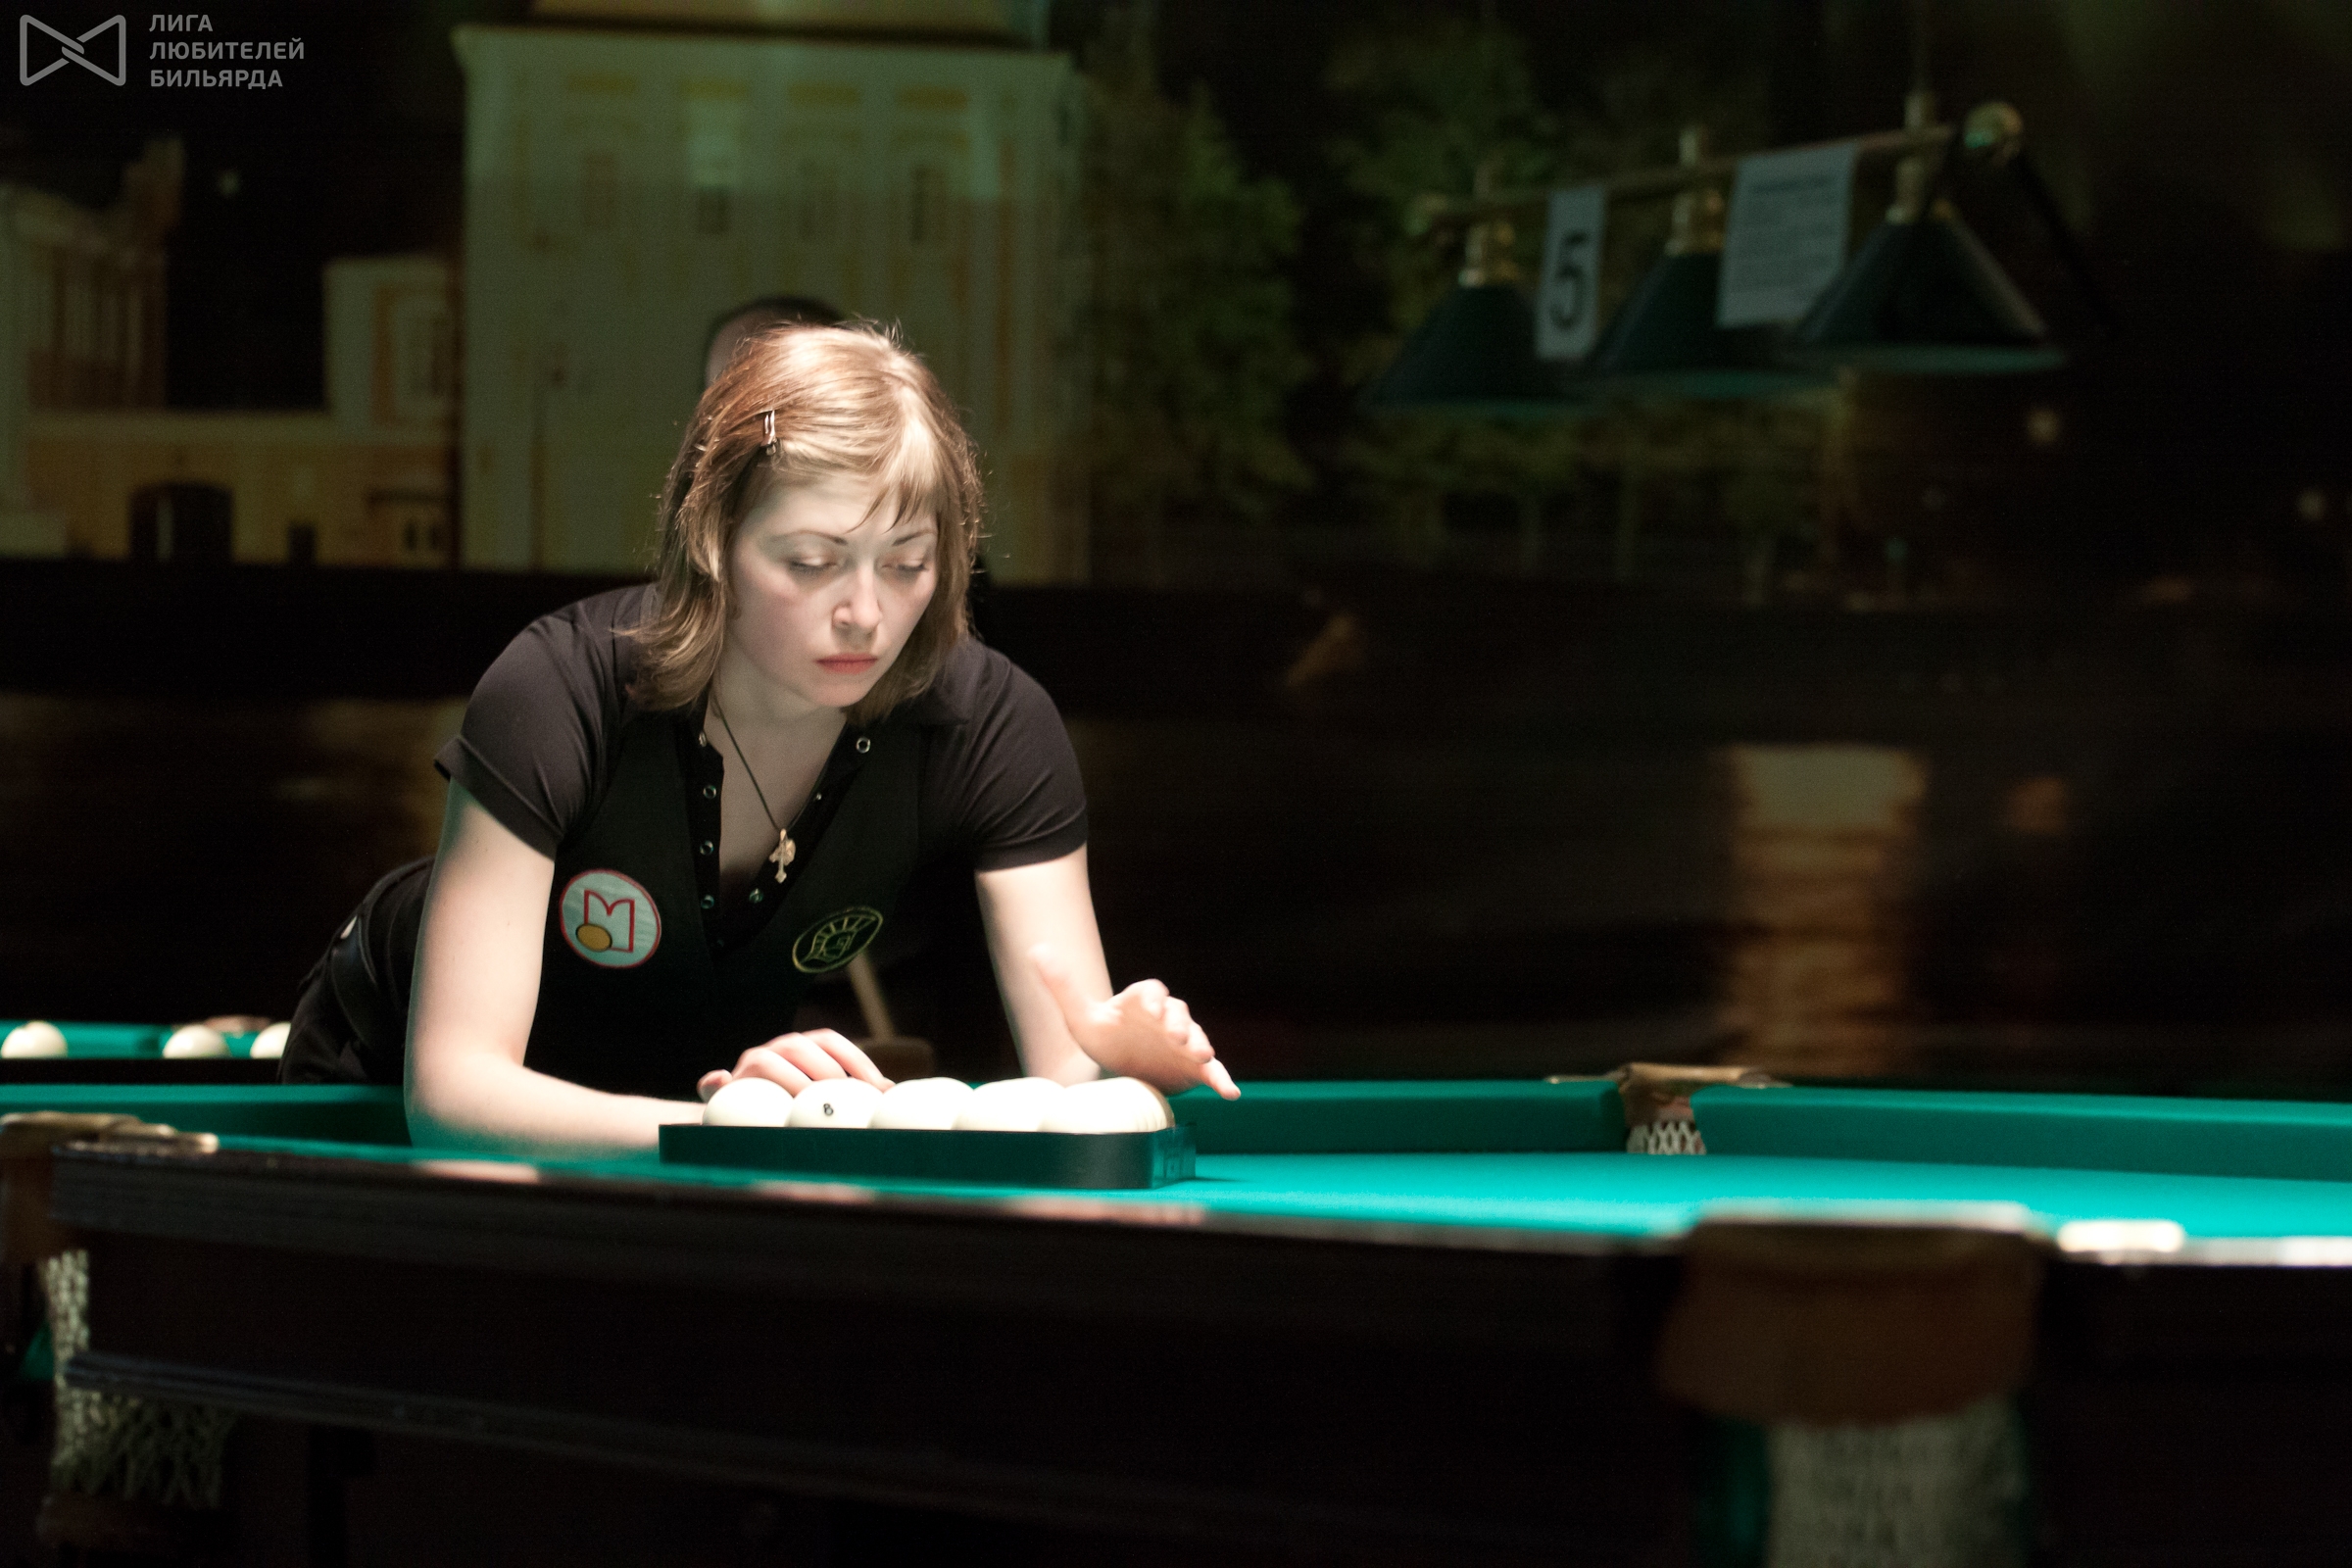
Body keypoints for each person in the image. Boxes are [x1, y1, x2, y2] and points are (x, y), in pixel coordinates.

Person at [284, 322, 1237, 1152]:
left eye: (908, 563)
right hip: (381, 1078)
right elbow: (453, 1096)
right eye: (812, 562)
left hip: (689, 1090)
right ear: (712, 540)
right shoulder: (555, 690)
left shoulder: (990, 726)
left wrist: (1125, 1076)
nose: (866, 613)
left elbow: (1072, 1087)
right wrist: (737, 1131)